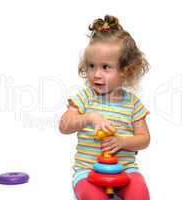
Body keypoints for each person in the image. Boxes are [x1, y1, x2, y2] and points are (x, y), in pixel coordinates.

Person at [59, 15, 150, 200]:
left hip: (125, 170)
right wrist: (90, 117)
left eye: (106, 67)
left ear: (126, 70)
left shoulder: (133, 104)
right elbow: (64, 125)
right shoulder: (84, 97)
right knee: (94, 197)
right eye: (92, 66)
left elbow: (144, 139)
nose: (96, 74)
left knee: (140, 193)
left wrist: (123, 142)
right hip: (88, 172)